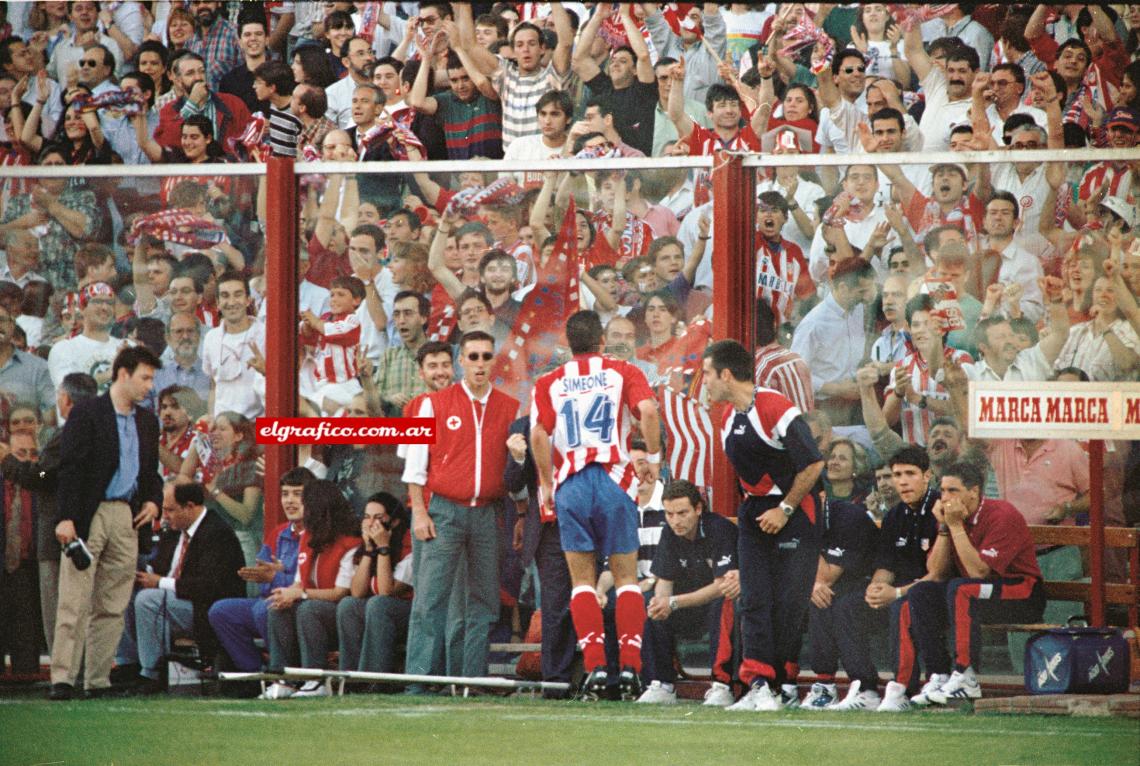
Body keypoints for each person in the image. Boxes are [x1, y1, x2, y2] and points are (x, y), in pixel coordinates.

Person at [530, 310, 661, 700]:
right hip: (612, 479)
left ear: (569, 344)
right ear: (602, 340)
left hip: (571, 483)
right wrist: (652, 457)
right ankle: (632, 670)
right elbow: (650, 412)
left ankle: (596, 668)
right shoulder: (622, 371)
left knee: (583, 581)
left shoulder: (550, 381)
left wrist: (546, 482)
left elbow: (539, 434)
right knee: (625, 578)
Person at [701, 339, 824, 711]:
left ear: (726, 374)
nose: (703, 382)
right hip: (755, 516)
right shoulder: (728, 417)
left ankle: (782, 682)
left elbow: (814, 465)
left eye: (707, 374)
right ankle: (757, 683)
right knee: (753, 598)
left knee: (788, 604)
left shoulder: (776, 407)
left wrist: (784, 509)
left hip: (795, 514)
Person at [402, 330, 518, 684]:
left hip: (486, 511)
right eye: (473, 356)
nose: (480, 363)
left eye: (486, 356)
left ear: (493, 361)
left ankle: (470, 684)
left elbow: (515, 470)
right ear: (461, 361)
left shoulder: (510, 406)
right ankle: (419, 684)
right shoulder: (432, 404)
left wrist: (523, 509)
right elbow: (414, 467)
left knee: (482, 604)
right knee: (430, 601)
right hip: (444, 511)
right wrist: (420, 513)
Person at [49, 346, 163, 701]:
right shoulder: (87, 413)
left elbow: (150, 473)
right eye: (144, 378)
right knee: (74, 599)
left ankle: (97, 679)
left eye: (152, 378)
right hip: (90, 510)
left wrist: (153, 501)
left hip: (126, 513)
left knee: (113, 603)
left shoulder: (147, 421)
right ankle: (63, 678)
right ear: (123, 374)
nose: (149, 386)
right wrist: (65, 517)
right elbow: (69, 469)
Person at [903, 462, 1045, 707]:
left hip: (1022, 593)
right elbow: (935, 572)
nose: (945, 498)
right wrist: (945, 527)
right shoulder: (954, 518)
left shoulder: (1001, 514)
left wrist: (956, 525)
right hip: (978, 593)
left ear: (974, 491)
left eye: (953, 491)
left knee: (961, 588)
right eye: (943, 491)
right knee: (921, 592)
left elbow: (978, 572)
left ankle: (965, 675)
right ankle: (939, 674)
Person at [0, 373, 97, 656]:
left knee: (59, 611)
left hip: (57, 534)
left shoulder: (66, 436)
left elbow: (43, 474)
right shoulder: (102, 433)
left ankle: (64, 672)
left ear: (66, 400)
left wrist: (8, 461)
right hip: (89, 529)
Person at [117, 482, 245, 694]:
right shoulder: (175, 531)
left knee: (148, 599)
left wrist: (159, 582)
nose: (164, 516)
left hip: (204, 610)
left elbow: (209, 587)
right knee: (121, 594)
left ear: (190, 506)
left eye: (170, 510)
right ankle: (127, 664)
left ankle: (151, 674)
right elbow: (159, 567)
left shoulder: (217, 533)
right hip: (175, 604)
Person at [636, 480, 738, 707]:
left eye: (682, 513)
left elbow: (721, 586)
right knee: (649, 603)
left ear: (698, 509)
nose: (675, 521)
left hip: (712, 604)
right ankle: (662, 683)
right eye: (669, 514)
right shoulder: (669, 533)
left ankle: (722, 685)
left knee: (724, 601)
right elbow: (664, 580)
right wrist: (660, 603)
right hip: (684, 608)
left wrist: (672, 602)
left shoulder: (719, 529)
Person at [208, 467, 314, 676]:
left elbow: (309, 582)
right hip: (270, 600)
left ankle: (284, 670)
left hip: (299, 605)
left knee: (263, 609)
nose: (289, 501)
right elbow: (262, 578)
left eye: (297, 494)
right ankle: (254, 672)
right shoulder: (278, 532)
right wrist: (274, 577)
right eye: (285, 494)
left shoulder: (315, 533)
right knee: (220, 611)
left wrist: (276, 577)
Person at [262, 479, 360, 699]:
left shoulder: (349, 541)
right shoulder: (308, 536)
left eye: (304, 502)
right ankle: (283, 681)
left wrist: (302, 594)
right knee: (277, 607)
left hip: (339, 613)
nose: (299, 507)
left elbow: (340, 592)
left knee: (309, 609)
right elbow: (300, 581)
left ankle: (315, 681)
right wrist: (288, 594)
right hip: (314, 607)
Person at [869, 445, 943, 712]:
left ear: (927, 475)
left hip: (936, 592)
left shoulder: (939, 510)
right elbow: (885, 564)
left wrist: (896, 593)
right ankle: (862, 686)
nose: (901, 481)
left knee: (904, 606)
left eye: (910, 473)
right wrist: (876, 589)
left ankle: (900, 688)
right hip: (901, 590)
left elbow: (940, 573)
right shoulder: (894, 516)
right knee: (847, 606)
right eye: (896, 474)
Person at [801, 495, 880, 710]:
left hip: (873, 584)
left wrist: (806, 530)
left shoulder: (848, 516)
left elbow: (826, 576)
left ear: (821, 497)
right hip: (828, 586)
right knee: (812, 597)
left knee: (834, 600)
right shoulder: (785, 517)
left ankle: (866, 689)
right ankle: (820, 684)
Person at [335, 492, 413, 676]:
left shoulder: (409, 545)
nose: (370, 524)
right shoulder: (363, 547)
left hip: (407, 612)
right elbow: (356, 592)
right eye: (367, 517)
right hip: (378, 613)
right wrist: (370, 551)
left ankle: (373, 678)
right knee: (348, 605)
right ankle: (349, 676)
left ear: (394, 522)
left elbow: (386, 591)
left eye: (378, 518)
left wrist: (383, 547)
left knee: (378, 604)